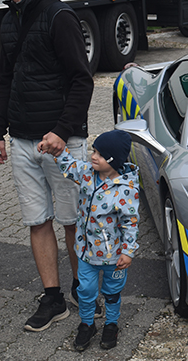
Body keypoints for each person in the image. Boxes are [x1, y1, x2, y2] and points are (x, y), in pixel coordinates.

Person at [0, 0, 94, 332]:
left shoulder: (59, 15)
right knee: (38, 221)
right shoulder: (9, 19)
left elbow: (82, 81)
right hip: (23, 141)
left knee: (73, 222)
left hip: (62, 144)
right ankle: (53, 299)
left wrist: (62, 133)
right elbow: (6, 79)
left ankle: (87, 293)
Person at [48, 130, 140, 351]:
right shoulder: (88, 173)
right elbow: (70, 166)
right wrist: (58, 151)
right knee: (86, 291)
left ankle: (111, 324)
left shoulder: (126, 190)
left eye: (99, 153)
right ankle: (87, 324)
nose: (93, 156)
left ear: (113, 160)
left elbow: (130, 223)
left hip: (114, 256)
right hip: (86, 252)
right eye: (94, 150)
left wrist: (128, 252)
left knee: (112, 291)